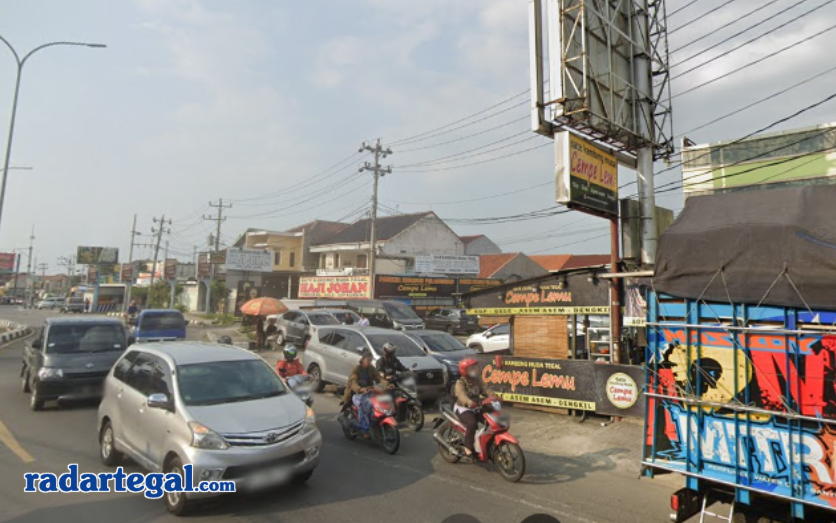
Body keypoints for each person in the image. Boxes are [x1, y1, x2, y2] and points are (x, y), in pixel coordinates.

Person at [454, 358, 493, 458]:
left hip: (476, 406)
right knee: (472, 423)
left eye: (475, 368)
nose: (474, 370)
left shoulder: (477, 380)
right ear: (464, 370)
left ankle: (485, 444)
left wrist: (494, 397)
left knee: (490, 420)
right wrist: (470, 403)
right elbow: (461, 395)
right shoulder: (460, 382)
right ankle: (468, 448)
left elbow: (487, 390)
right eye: (471, 368)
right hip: (463, 408)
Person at [344, 349, 387, 434]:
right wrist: (360, 389)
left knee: (378, 403)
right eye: (368, 360)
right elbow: (353, 383)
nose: (369, 362)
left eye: (370, 360)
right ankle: (363, 428)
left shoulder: (371, 368)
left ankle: (373, 424)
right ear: (363, 359)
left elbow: (378, 378)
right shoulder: (356, 369)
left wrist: (386, 384)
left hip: (369, 392)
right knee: (364, 405)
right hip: (357, 395)